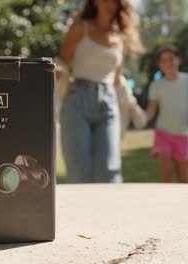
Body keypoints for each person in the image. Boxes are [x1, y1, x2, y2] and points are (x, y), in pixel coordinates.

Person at [56, 0, 143, 183]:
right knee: (80, 171)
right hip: (77, 100)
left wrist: (133, 106)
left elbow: (117, 80)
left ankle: (112, 211)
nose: (109, 4)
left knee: (110, 171)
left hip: (108, 102)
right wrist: (57, 71)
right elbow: (63, 61)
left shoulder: (121, 38)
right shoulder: (80, 28)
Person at [146, 45, 188, 183]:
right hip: (163, 132)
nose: (168, 63)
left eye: (171, 59)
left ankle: (186, 203)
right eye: (163, 60)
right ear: (159, 64)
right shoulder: (156, 85)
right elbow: (151, 109)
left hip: (183, 133)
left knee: (183, 177)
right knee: (166, 175)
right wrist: (142, 117)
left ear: (179, 60)